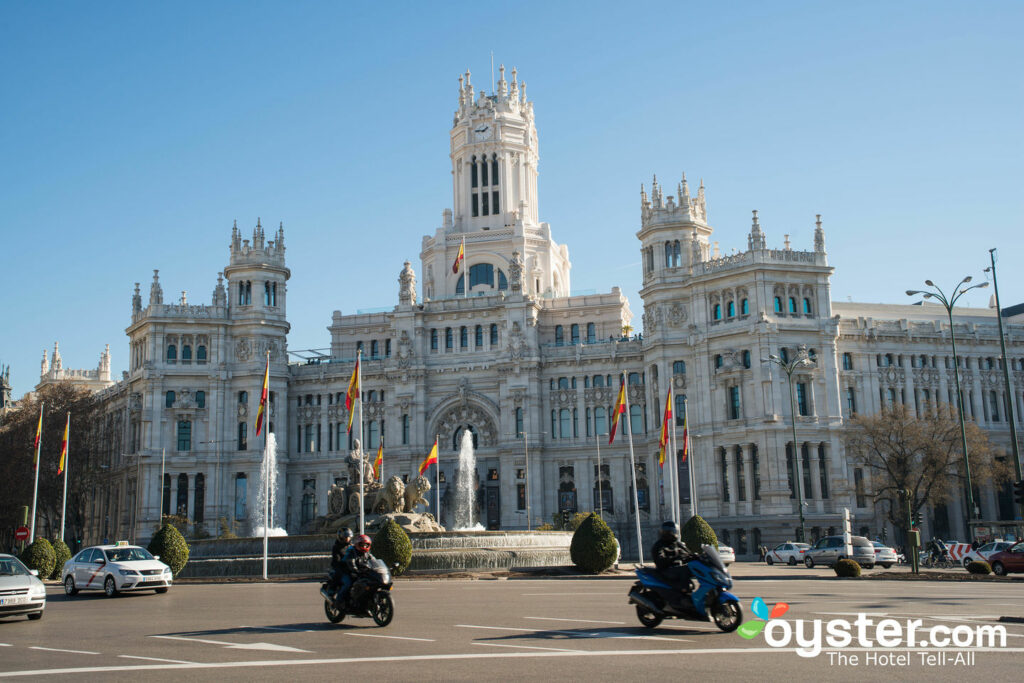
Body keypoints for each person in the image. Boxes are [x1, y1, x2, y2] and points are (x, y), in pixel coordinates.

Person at [651, 521, 693, 602]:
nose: (674, 534)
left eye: (675, 532)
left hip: (675, 568)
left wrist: (697, 556)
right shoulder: (659, 545)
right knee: (685, 569)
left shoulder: (677, 543)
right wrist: (675, 556)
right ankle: (684, 591)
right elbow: (661, 560)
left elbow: (687, 553)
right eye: (672, 532)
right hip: (665, 570)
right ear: (666, 533)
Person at [339, 534, 377, 607]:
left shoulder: (367, 554)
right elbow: (351, 562)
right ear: (357, 544)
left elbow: (374, 561)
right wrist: (355, 570)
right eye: (362, 545)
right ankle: (339, 601)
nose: (364, 546)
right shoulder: (351, 551)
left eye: (366, 545)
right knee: (348, 584)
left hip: (360, 572)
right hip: (347, 572)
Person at [327, 527, 353, 599]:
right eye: (345, 537)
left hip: (350, 568)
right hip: (340, 567)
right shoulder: (337, 547)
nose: (347, 539)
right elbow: (336, 559)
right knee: (346, 582)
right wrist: (342, 563)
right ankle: (339, 599)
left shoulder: (351, 546)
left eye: (348, 537)